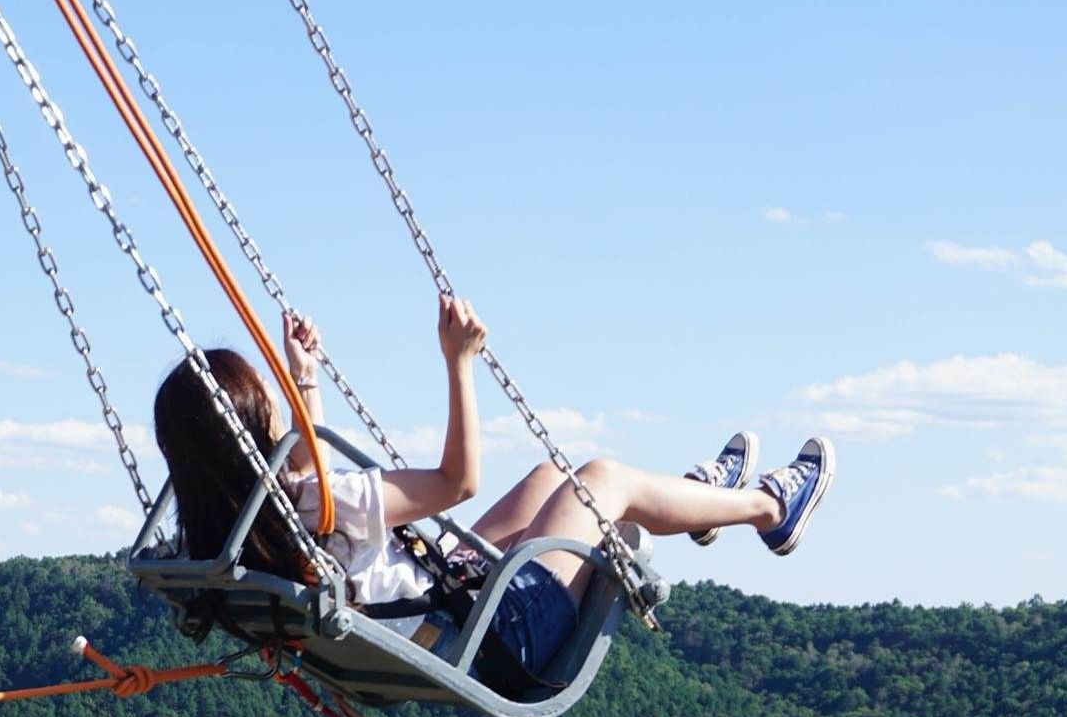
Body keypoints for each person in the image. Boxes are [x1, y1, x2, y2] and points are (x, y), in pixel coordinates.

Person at [150, 296, 834, 696]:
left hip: (452, 610)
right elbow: (458, 482)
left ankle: (690, 501)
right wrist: (459, 362)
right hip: (497, 634)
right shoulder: (329, 506)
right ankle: (770, 510)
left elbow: (308, 468)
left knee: (546, 477)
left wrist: (306, 380)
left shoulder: (230, 533)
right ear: (253, 425)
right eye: (268, 401)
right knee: (602, 479)